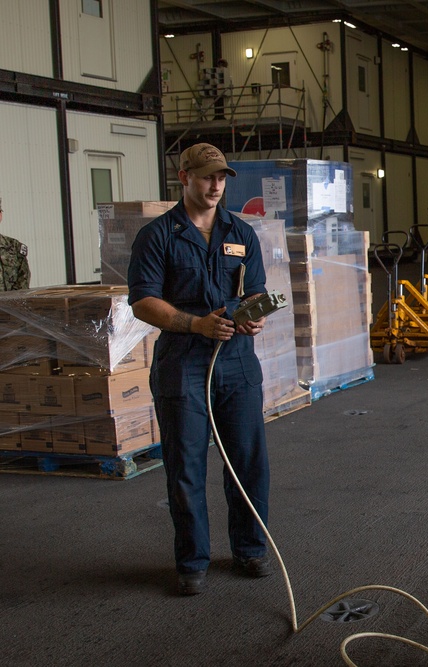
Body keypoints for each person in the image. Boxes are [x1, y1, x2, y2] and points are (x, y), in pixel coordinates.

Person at [127, 143, 273, 596]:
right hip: (184, 365)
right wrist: (197, 324)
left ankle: (250, 550)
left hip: (236, 365)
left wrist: (256, 314)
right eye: (207, 176)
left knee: (248, 463)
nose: (216, 186)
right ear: (184, 177)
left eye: (222, 177)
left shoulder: (241, 233)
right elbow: (143, 301)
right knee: (186, 468)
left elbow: (261, 290)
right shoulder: (158, 236)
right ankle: (192, 561)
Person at [0, 198, 30, 291]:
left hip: (12, 304)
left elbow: (24, 277)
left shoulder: (14, 246)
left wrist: (11, 301)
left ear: (0, 215)